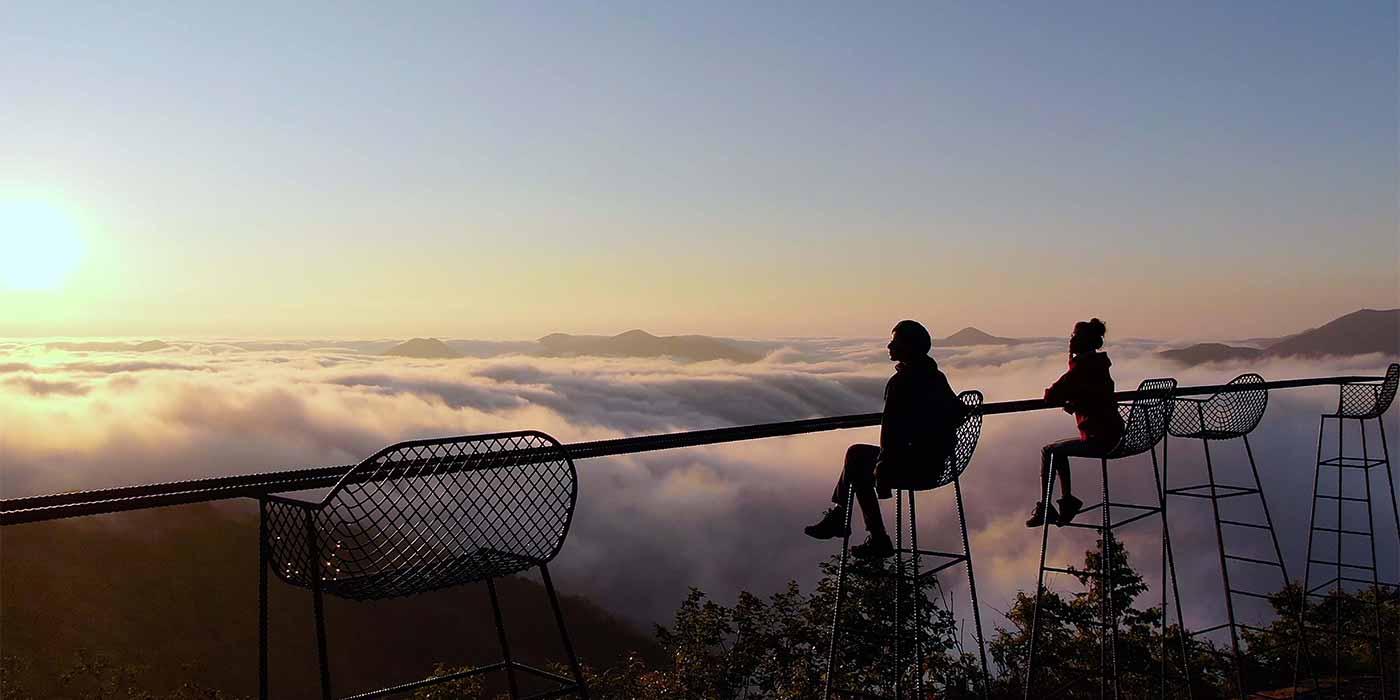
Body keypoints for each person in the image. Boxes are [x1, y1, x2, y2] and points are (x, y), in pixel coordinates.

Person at [804, 320, 966, 558]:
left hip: (917, 467)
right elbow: (959, 413)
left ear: (909, 346)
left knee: (856, 457)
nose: (889, 346)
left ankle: (873, 535)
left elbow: (891, 434)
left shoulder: (902, 382)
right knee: (857, 458)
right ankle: (842, 518)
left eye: (895, 341)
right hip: (937, 464)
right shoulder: (936, 377)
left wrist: (883, 469)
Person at [1026, 318, 1124, 528]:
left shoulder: (1082, 368)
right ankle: (1065, 501)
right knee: (1057, 450)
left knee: (1050, 451)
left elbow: (1051, 395)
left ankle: (1050, 506)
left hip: (1101, 439)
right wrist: (1078, 402)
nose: (1070, 339)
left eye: (1074, 336)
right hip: (1115, 434)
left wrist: (1072, 396)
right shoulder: (1099, 366)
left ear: (1082, 341)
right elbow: (1094, 395)